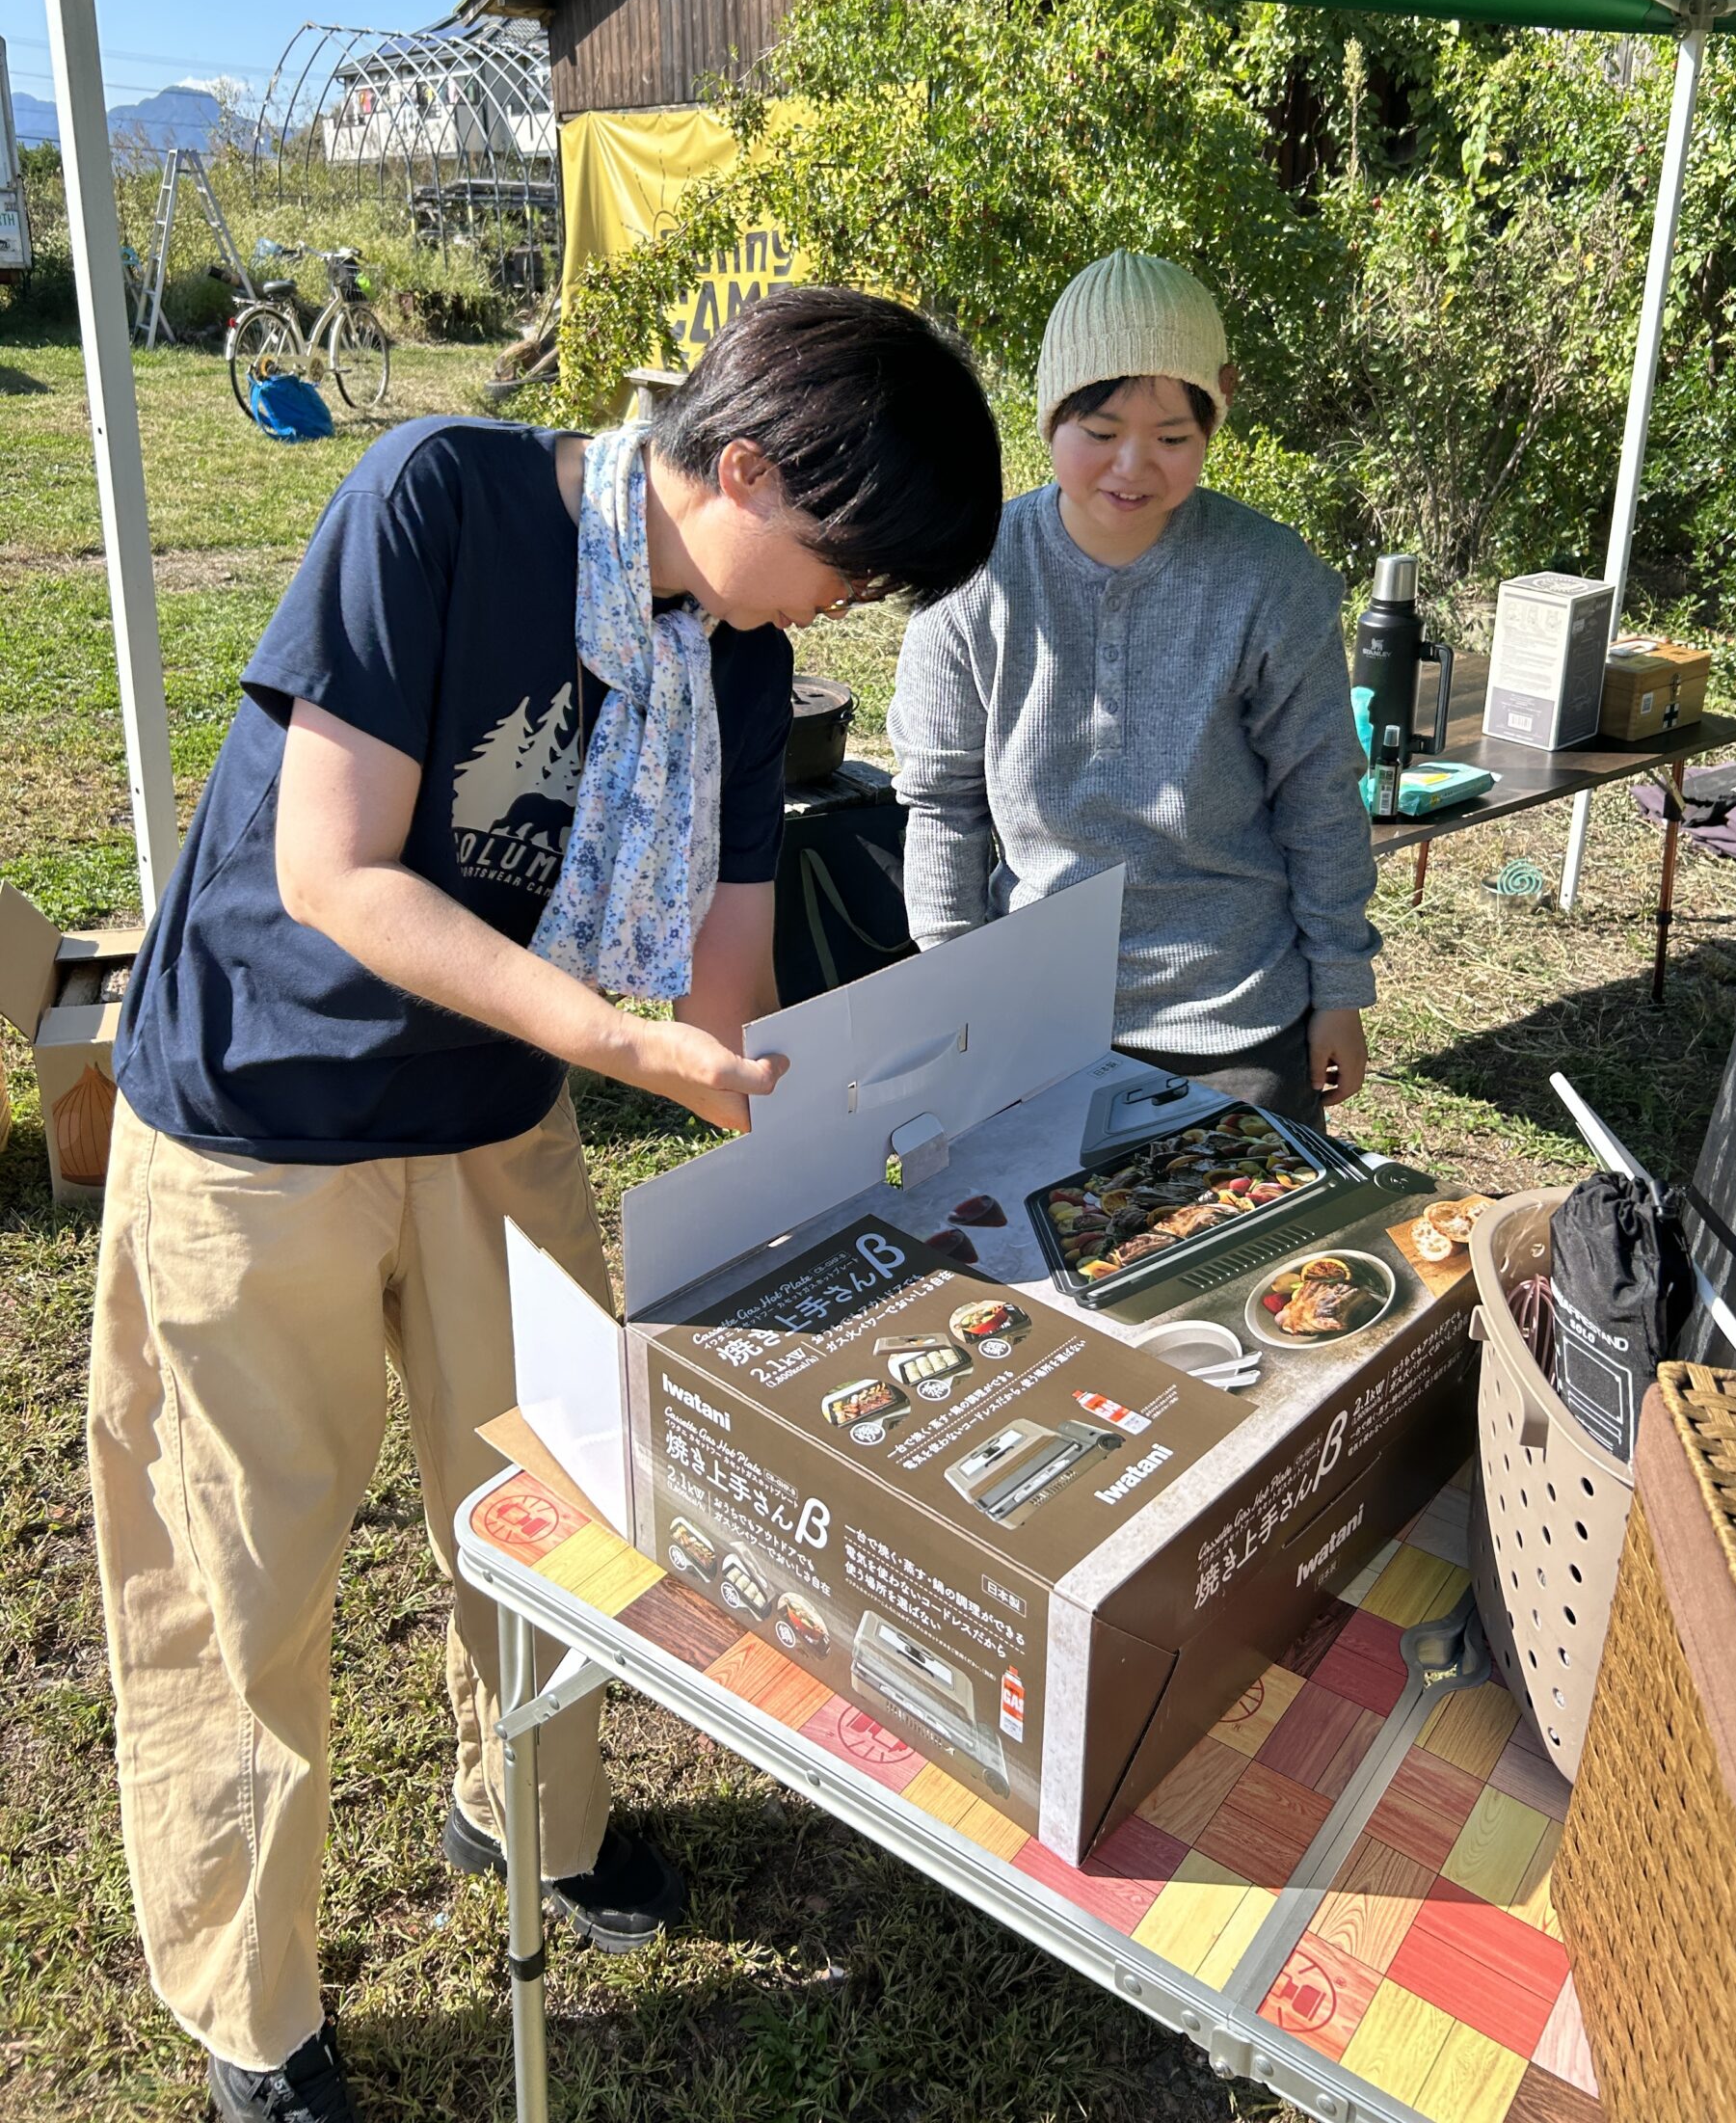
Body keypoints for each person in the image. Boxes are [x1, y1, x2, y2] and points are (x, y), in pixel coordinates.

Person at [92, 287, 1002, 2123]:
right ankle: (252, 2009)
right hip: (266, 1112)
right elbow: (335, 871)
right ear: (742, 468)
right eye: (845, 565)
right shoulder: (442, 500)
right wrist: (605, 1033)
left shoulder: (735, 656)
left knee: (552, 1505)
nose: (838, 608)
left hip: (493, 1115)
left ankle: (534, 1820)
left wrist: (821, 1113)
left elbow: (730, 978)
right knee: (242, 1573)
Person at [890, 249, 1376, 1125]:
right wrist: (955, 983)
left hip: (1237, 1011)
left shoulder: (1270, 579)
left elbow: (1320, 792)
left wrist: (1339, 987)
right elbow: (942, 803)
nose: (1132, 466)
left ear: (1214, 420)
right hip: (1034, 1011)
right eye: (1101, 431)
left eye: (1173, 439)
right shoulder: (971, 575)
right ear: (1049, 417)